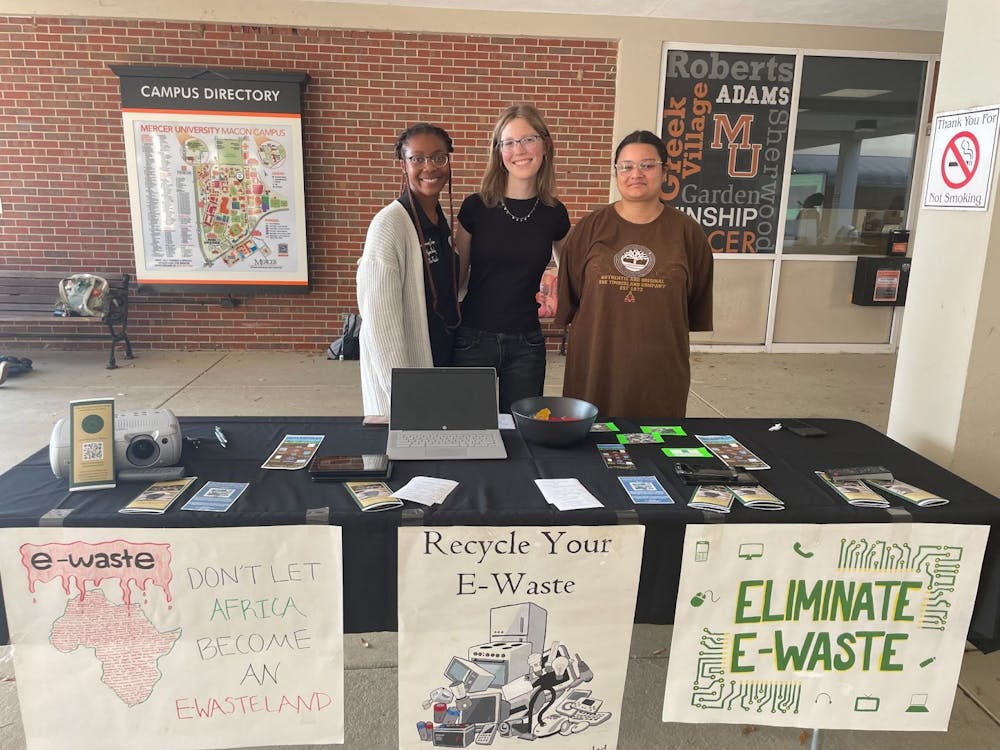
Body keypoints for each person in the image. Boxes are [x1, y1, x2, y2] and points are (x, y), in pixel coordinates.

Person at [555, 130, 713, 417]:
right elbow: (573, 295)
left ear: (665, 171)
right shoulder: (591, 228)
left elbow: (693, 302)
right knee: (588, 451)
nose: (636, 174)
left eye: (647, 165)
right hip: (595, 366)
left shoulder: (687, 232)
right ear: (616, 173)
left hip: (659, 370)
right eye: (626, 166)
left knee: (656, 450)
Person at [453, 104, 570, 412]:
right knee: (469, 432)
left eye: (528, 139)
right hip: (473, 341)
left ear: (545, 144)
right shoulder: (475, 208)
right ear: (499, 151)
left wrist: (556, 284)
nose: (519, 150)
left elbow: (574, 274)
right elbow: (456, 280)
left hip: (527, 346)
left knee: (523, 439)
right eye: (509, 142)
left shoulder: (554, 214)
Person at [356, 123, 461, 417]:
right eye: (418, 158)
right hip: (409, 378)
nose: (430, 167)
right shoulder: (389, 226)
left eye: (439, 157)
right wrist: (403, 397)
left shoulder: (440, 220)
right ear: (403, 164)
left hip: (441, 361)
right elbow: (380, 325)